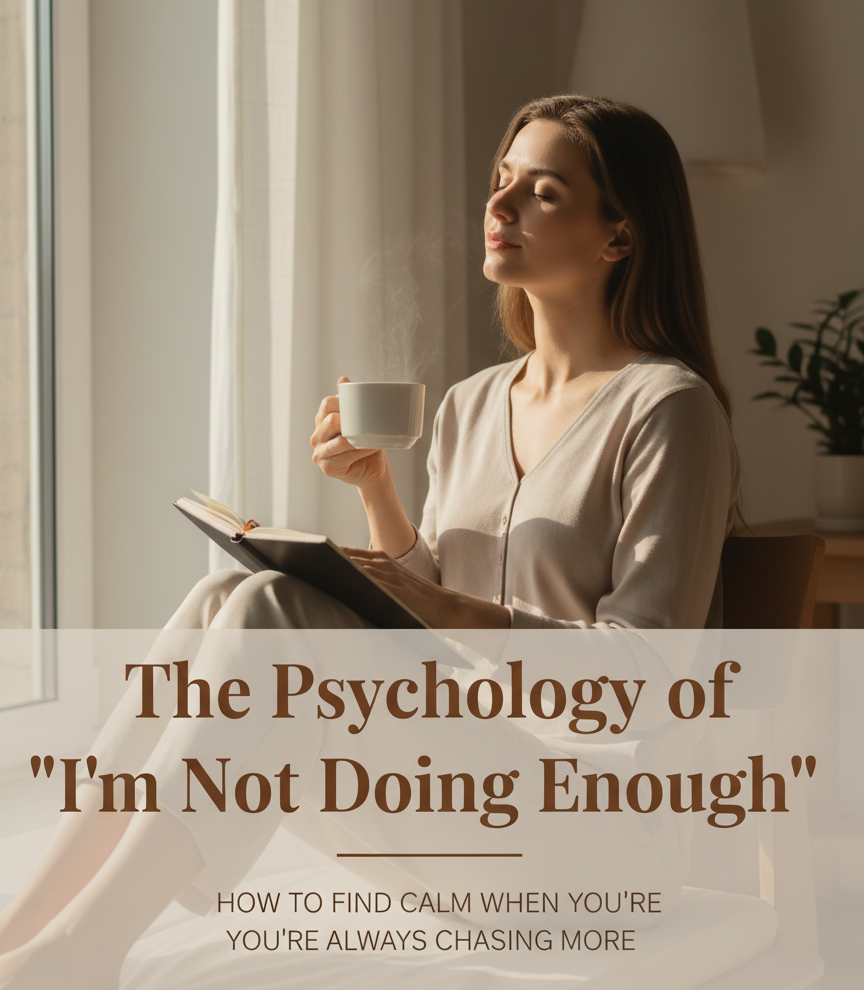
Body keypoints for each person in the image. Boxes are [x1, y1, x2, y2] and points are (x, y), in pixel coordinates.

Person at [0, 94, 738, 989]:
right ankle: (26, 938)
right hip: (453, 794)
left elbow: (646, 681)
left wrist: (451, 607)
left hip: (593, 833)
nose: (500, 208)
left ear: (618, 236)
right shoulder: (471, 403)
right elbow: (435, 602)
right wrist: (379, 496)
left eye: (543, 192)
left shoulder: (668, 410)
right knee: (220, 601)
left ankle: (84, 953)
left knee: (271, 609)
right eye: (502, 183)